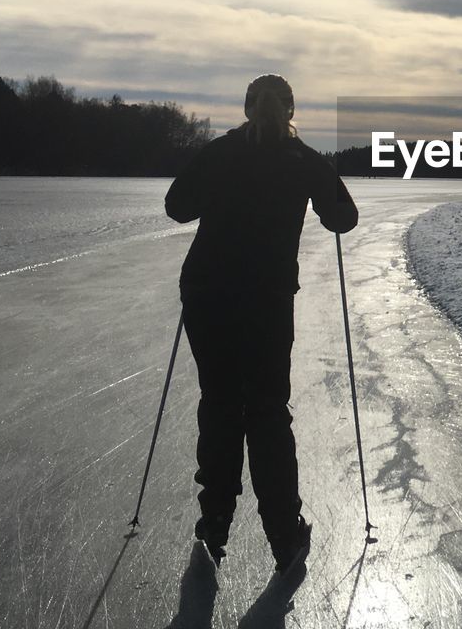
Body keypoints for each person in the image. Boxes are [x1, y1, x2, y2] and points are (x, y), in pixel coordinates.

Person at [164, 74, 358, 572]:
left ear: (247, 108)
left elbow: (176, 207)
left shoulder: (222, 151)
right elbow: (344, 219)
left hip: (208, 292)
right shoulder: (306, 160)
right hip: (266, 299)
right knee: (268, 410)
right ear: (290, 111)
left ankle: (215, 523)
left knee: (222, 401)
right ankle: (284, 536)